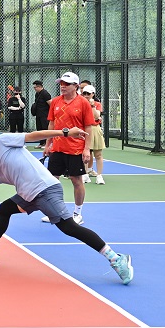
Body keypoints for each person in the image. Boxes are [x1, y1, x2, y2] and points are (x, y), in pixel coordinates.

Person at [0, 126, 134, 286]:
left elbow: (34, 135)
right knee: (5, 208)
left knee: (68, 227)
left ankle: (116, 258)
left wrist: (64, 133)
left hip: (45, 189)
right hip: (29, 194)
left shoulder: (2, 141)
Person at [43, 72, 96, 224]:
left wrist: (87, 149)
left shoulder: (83, 103)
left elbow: (88, 127)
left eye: (66, 84)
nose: (62, 86)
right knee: (52, 180)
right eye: (61, 83)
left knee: (76, 180)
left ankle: (77, 214)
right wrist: (48, 145)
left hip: (76, 149)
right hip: (57, 148)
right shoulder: (55, 102)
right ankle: (55, 212)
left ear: (76, 86)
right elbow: (51, 125)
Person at [80, 84, 106, 184]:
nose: (86, 95)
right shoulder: (80, 103)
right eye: (84, 93)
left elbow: (96, 116)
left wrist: (92, 106)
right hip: (84, 129)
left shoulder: (97, 104)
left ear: (93, 94)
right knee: (86, 154)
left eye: (88, 93)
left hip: (95, 129)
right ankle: (85, 174)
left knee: (98, 154)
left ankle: (99, 176)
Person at [30, 80, 52, 147]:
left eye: (35, 87)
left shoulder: (45, 93)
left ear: (39, 86)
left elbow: (51, 104)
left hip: (45, 115)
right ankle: (41, 143)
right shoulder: (37, 94)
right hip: (38, 114)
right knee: (39, 129)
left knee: (45, 128)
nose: (34, 89)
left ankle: (46, 143)